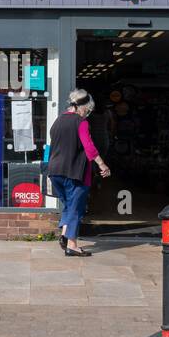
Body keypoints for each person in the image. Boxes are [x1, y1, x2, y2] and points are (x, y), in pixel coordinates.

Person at [46, 88, 110, 257]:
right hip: (74, 172)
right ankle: (72, 245)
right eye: (88, 110)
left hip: (55, 171)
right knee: (75, 208)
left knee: (69, 205)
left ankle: (65, 235)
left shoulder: (58, 120)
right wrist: (102, 165)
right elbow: (88, 146)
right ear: (83, 107)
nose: (88, 113)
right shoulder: (81, 122)